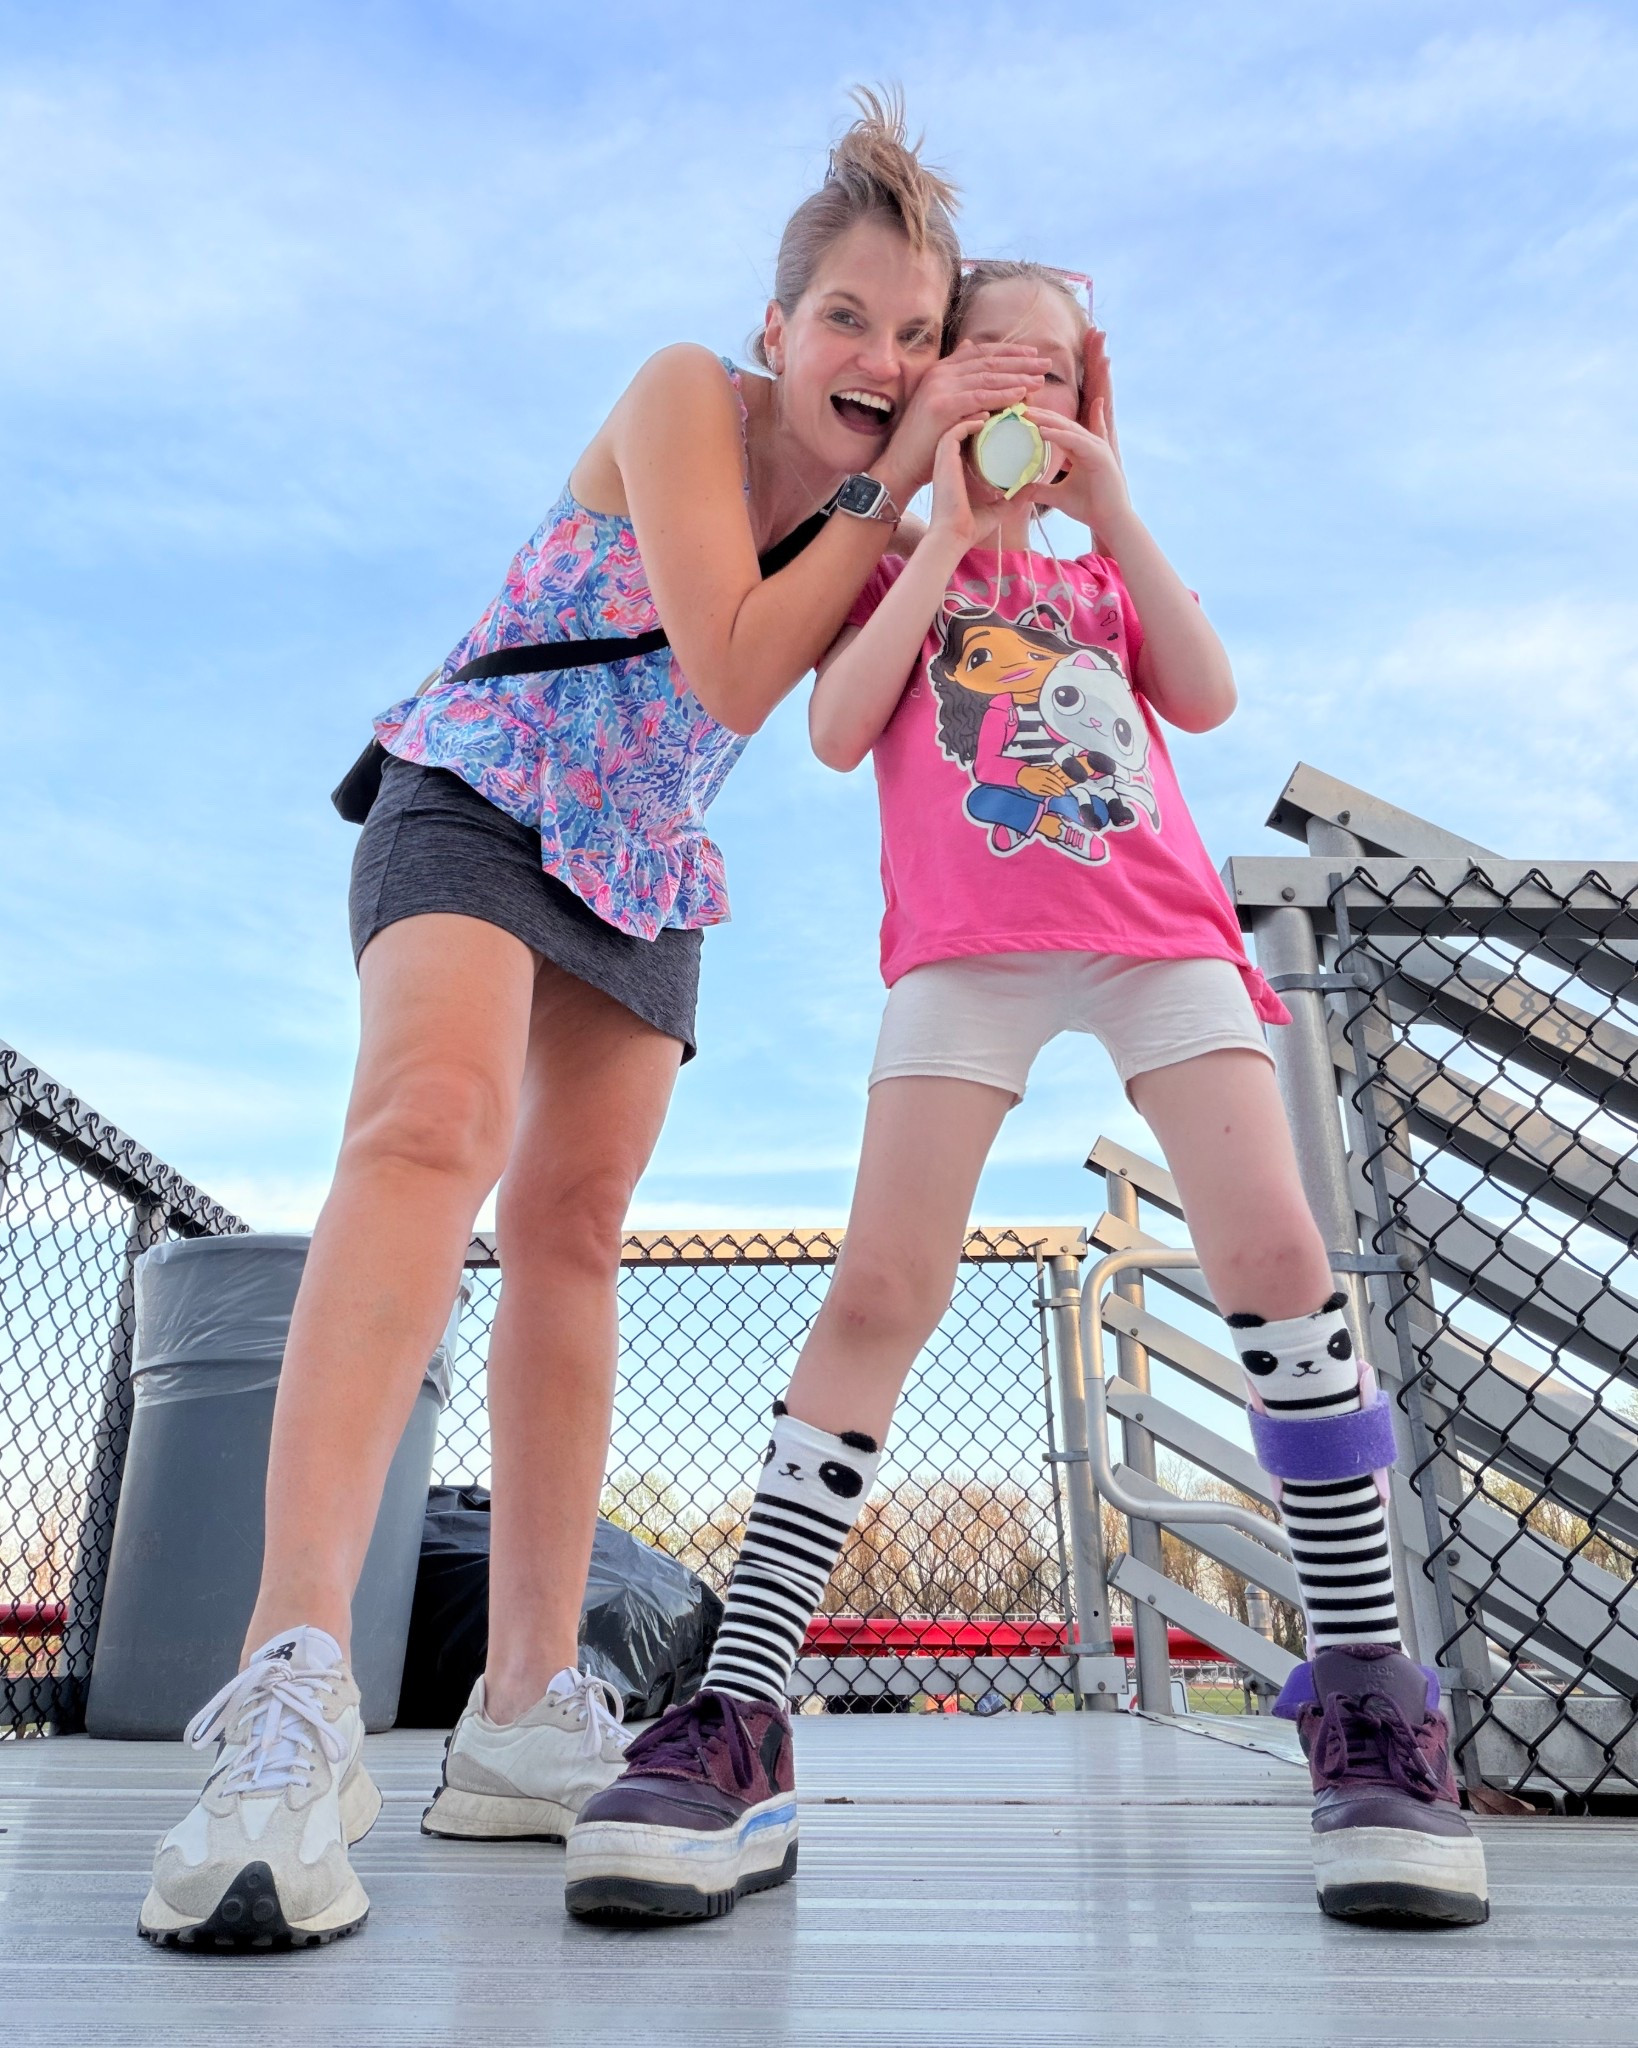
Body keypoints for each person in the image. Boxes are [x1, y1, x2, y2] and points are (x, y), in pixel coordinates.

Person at [138, 93, 1056, 1953]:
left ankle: (526, 1709)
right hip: (484, 786)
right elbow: (730, 655)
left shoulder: (888, 517)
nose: (878, 358)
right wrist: (894, 496)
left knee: (572, 1227)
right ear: (777, 326)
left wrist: (988, 506)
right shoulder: (682, 396)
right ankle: (293, 1685)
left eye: (915, 332)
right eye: (846, 317)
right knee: (428, 1124)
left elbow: (864, 713)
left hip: (642, 857)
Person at [566, 261, 1491, 1931]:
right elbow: (836, 732)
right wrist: (934, 526)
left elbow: (1204, 694)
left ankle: (1368, 1697)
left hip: (1157, 938)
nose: (1014, 407)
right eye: (981, 374)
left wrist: (1109, 497)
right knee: (878, 1288)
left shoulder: (1101, 581)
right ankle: (742, 1708)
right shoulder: (878, 570)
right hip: (965, 953)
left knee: (1278, 1258)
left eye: (1046, 380)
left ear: (1088, 402)